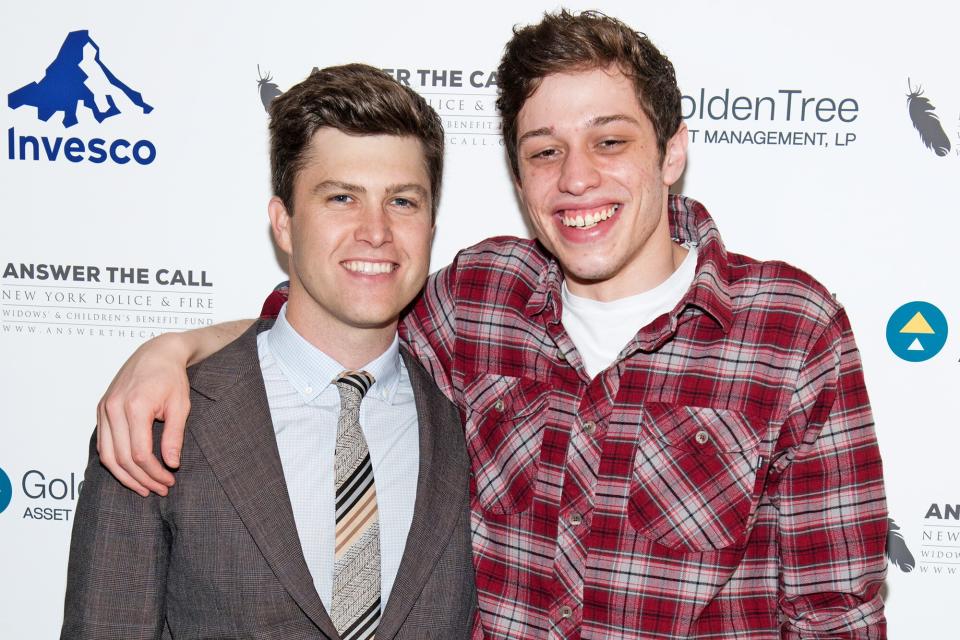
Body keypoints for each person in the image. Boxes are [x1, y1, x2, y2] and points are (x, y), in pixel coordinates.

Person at [94, 10, 888, 639]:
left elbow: (836, 619)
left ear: (672, 151)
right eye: (545, 152)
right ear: (516, 173)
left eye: (610, 142)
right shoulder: (483, 297)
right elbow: (343, 311)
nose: (577, 178)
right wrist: (176, 346)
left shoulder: (792, 332)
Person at [62, 64, 476, 640]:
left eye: (403, 201)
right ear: (284, 224)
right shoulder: (162, 417)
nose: (375, 231)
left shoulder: (466, 419)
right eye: (341, 197)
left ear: (432, 222)